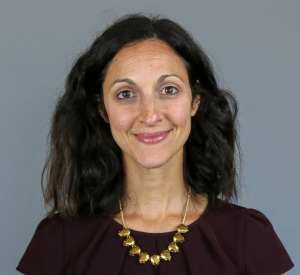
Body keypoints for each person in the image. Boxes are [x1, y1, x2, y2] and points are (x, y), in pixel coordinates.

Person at [16, 13, 294, 275]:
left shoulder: (249, 237)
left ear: (195, 101)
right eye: (125, 94)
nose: (149, 115)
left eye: (169, 90)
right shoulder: (57, 241)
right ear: (102, 110)